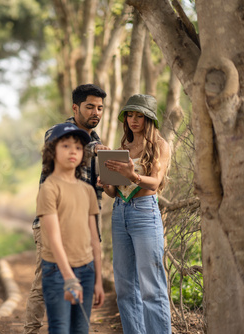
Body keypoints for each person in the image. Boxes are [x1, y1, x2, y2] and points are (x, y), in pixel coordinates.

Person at [24, 84, 109, 334]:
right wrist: (95, 151)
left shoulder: (97, 141)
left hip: (86, 224)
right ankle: (30, 330)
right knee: (44, 285)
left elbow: (95, 187)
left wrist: (107, 181)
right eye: (90, 107)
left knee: (83, 280)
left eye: (100, 108)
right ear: (76, 107)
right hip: (55, 221)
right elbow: (59, 146)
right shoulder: (58, 132)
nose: (96, 112)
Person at [99, 94, 172, 334]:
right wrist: (106, 183)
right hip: (120, 214)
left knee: (151, 287)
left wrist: (133, 175)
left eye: (139, 115)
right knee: (125, 288)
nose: (133, 120)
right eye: (130, 115)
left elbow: (155, 183)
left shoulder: (160, 145)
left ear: (149, 118)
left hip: (144, 214)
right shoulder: (123, 148)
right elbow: (115, 192)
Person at [36, 123, 105, 333]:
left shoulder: (87, 190)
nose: (73, 151)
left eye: (77, 147)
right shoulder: (49, 188)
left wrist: (98, 280)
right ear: (52, 151)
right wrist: (68, 278)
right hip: (57, 271)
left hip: (86, 270)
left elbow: (95, 238)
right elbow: (54, 238)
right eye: (65, 145)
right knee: (60, 328)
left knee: (80, 329)